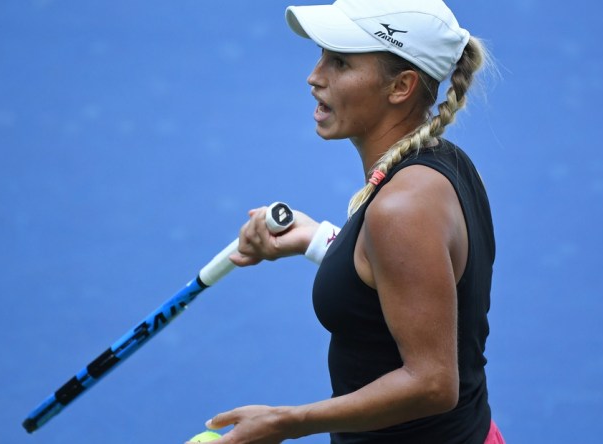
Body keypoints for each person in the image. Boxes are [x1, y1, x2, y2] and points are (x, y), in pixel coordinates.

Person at [190, 0, 504, 443]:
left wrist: (286, 421)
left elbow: (432, 383)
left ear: (401, 86)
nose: (315, 76)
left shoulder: (401, 209)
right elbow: (406, 279)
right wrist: (315, 239)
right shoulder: (442, 164)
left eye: (339, 62)